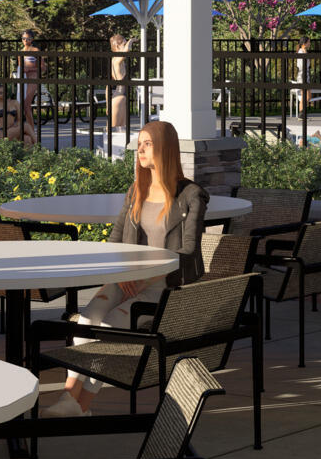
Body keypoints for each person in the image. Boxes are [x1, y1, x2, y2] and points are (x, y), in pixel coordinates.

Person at [46, 120, 208, 416]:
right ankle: (69, 396)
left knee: (107, 328)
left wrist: (145, 279)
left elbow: (188, 252)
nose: (140, 149)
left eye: (148, 143)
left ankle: (81, 405)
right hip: (127, 280)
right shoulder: (137, 190)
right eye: (139, 143)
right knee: (87, 318)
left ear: (166, 148)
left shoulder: (191, 195)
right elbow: (115, 241)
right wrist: (125, 275)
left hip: (164, 285)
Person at [108, 33, 131, 133]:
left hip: (120, 96)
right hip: (119, 97)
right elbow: (127, 51)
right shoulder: (117, 59)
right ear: (117, 46)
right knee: (115, 129)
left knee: (122, 131)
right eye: (124, 44)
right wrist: (131, 40)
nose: (126, 45)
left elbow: (107, 86)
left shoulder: (116, 60)